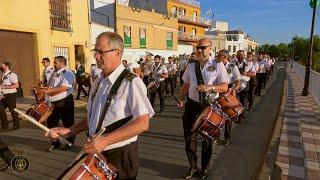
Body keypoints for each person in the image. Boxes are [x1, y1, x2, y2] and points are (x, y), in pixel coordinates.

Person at [46, 32, 154, 179]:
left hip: (120, 155)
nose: (96, 56)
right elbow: (93, 118)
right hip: (96, 151)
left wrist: (106, 140)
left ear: (117, 53)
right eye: (95, 52)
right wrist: (69, 131)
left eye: (100, 52)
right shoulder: (98, 81)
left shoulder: (131, 82)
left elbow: (143, 123)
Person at [177, 38, 228, 179]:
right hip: (192, 105)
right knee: (189, 139)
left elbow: (224, 86)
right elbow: (186, 84)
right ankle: (193, 167)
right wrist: (181, 99)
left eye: (203, 48)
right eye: (197, 48)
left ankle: (204, 169)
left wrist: (210, 87)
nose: (199, 50)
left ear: (210, 48)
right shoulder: (191, 65)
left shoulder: (217, 64)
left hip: (208, 106)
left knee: (207, 140)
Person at [43, 56, 76, 151]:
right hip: (53, 102)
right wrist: (44, 90)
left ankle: (69, 143)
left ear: (61, 63)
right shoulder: (54, 72)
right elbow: (49, 85)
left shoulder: (68, 73)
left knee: (68, 124)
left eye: (55, 63)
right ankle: (55, 142)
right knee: (51, 122)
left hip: (65, 102)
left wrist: (50, 91)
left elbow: (64, 88)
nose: (54, 64)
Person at [216, 50, 241, 145]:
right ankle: (216, 136)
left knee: (228, 116)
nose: (217, 58)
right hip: (217, 90)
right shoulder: (216, 66)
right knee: (216, 114)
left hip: (228, 90)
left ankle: (227, 138)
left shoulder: (233, 67)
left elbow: (238, 82)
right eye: (217, 56)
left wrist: (234, 89)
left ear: (225, 57)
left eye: (219, 56)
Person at [0, 62, 20, 129]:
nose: (1, 67)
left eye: (2, 66)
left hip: (11, 95)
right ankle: (5, 126)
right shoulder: (3, 75)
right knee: (1, 109)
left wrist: (5, 87)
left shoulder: (12, 75)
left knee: (12, 110)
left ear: (7, 66)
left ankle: (16, 125)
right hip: (3, 96)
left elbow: (16, 85)